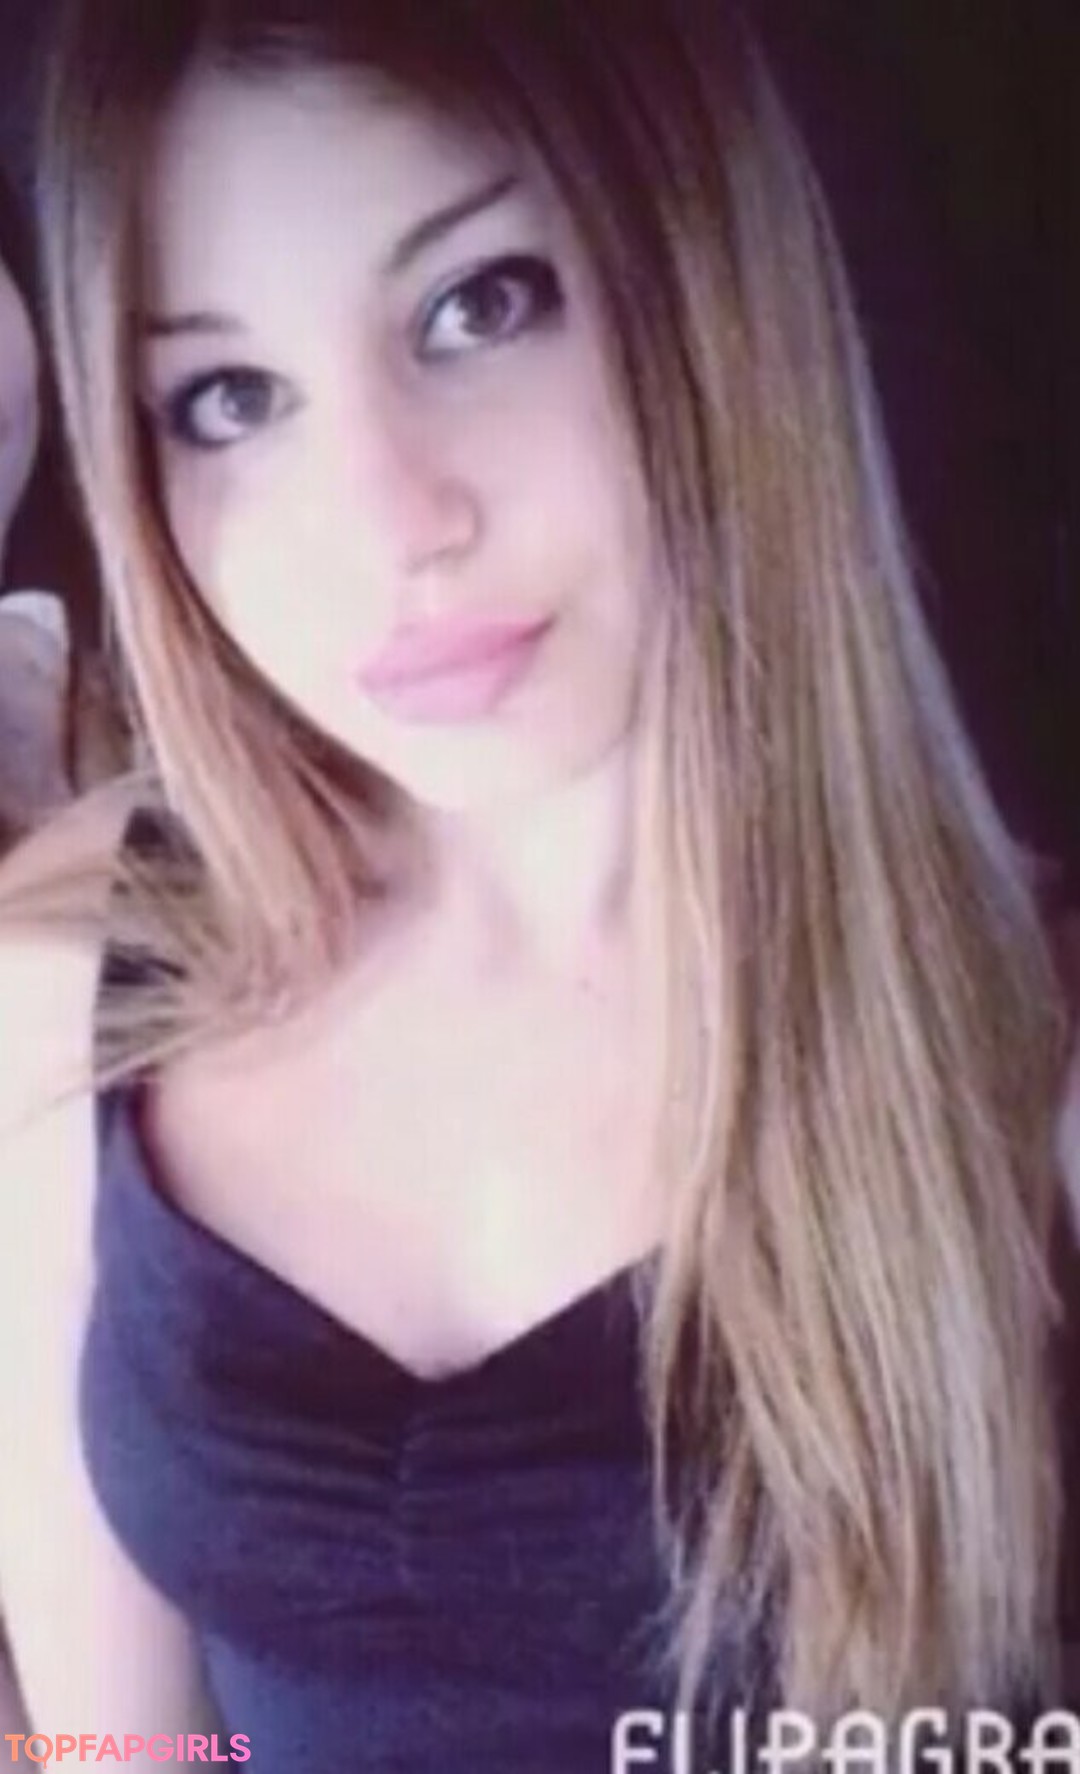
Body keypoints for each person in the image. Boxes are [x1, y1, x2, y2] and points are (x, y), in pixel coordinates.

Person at [0, 1, 1072, 1764]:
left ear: (709, 290)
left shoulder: (1028, 1070)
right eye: (229, 399)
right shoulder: (76, 973)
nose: (388, 521)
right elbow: (121, 1754)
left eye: (478, 304)